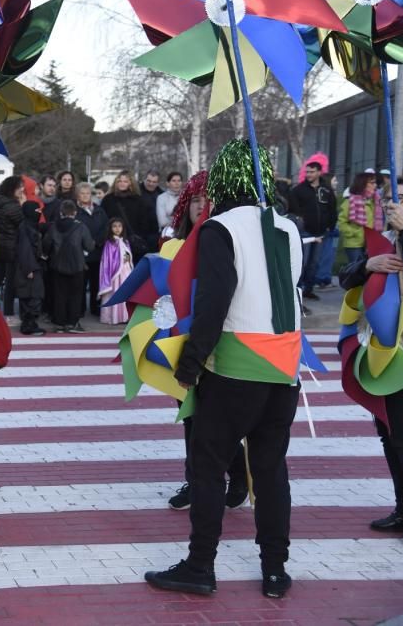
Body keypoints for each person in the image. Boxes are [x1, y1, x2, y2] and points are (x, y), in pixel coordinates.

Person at [145, 139, 302, 600]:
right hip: (284, 365)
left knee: (208, 467)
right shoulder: (288, 227)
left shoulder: (220, 228)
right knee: (270, 471)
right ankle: (275, 569)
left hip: (235, 365)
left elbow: (215, 302)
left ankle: (200, 566)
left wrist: (191, 362)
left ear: (222, 179)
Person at [161, 171, 248, 511]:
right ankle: (195, 480)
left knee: (215, 419)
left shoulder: (226, 240)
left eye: (206, 199)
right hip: (181, 340)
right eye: (194, 199)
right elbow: (161, 290)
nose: (200, 205)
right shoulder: (172, 245)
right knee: (190, 415)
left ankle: (237, 470)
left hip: (221, 339)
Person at [338, 178, 403, 548]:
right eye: (388, 198)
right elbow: (345, 278)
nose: (392, 204)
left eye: (402, 197)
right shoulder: (384, 239)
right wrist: (369, 263)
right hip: (383, 349)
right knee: (390, 433)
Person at [44, 199, 94, 333]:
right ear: (75, 213)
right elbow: (89, 246)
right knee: (75, 295)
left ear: (61, 213)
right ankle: (72, 323)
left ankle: (59, 323)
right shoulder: (81, 227)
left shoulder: (53, 227)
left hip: (57, 265)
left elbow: (46, 245)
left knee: (59, 295)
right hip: (77, 266)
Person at [289, 159, 336, 299]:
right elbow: (293, 210)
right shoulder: (298, 190)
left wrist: (330, 226)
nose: (308, 174)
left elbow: (332, 209)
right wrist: (301, 222)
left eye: (312, 172)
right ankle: (297, 289)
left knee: (314, 263)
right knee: (302, 262)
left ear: (319, 172)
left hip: (321, 232)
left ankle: (308, 290)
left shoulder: (326, 190)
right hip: (305, 232)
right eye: (307, 172)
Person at [0, 175, 25, 315]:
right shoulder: (13, 206)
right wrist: (23, 205)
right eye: (19, 187)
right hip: (12, 246)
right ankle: (8, 313)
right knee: (10, 282)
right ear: (11, 188)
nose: (22, 190)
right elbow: (23, 225)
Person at [74, 182, 108, 317]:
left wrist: (97, 241)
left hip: (97, 252)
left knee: (96, 283)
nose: (85, 196)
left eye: (87, 193)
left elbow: (106, 227)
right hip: (81, 253)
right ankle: (80, 309)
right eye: (82, 193)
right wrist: (86, 243)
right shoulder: (75, 211)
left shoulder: (99, 210)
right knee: (80, 284)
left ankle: (95, 308)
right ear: (77, 195)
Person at [102, 171, 153, 260]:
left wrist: (140, 237)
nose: (122, 183)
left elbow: (144, 221)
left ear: (131, 183)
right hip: (113, 242)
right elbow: (103, 220)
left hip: (133, 242)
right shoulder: (108, 199)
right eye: (120, 181)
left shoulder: (138, 200)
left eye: (125, 181)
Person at [15, 201, 45, 336]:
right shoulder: (25, 227)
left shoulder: (29, 225)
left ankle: (30, 324)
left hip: (31, 266)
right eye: (37, 211)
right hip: (29, 268)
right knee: (32, 296)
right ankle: (28, 325)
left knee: (31, 296)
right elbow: (25, 249)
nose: (40, 213)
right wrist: (30, 269)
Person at [338, 172, 382, 264]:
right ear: (363, 184)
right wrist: (353, 233)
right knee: (356, 268)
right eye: (372, 183)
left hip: (370, 242)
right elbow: (342, 222)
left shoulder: (375, 201)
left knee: (367, 268)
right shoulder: (350, 201)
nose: (375, 185)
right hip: (354, 244)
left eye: (375, 182)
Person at [98, 217, 133, 325]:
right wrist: (120, 260)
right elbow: (107, 261)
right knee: (115, 293)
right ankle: (114, 317)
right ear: (110, 228)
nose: (117, 229)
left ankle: (125, 316)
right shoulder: (109, 243)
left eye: (119, 226)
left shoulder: (125, 242)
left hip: (125, 271)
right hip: (115, 275)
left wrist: (128, 259)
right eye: (114, 226)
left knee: (125, 293)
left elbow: (128, 256)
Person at [156, 171, 184, 236]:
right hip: (167, 233)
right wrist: (180, 221)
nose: (177, 183)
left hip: (184, 232)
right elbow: (162, 222)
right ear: (168, 183)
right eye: (174, 181)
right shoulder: (161, 198)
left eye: (179, 181)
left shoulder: (186, 197)